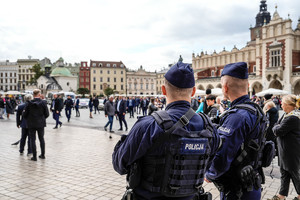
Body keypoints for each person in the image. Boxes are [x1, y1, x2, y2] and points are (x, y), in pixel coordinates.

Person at [112, 62, 221, 200]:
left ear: (163, 90)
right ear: (193, 91)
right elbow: (208, 164)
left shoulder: (148, 125)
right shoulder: (209, 127)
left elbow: (120, 165)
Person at [205, 62, 268, 200]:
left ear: (225, 87)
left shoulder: (237, 116)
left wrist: (209, 174)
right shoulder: (256, 109)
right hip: (251, 183)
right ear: (248, 85)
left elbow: (223, 155)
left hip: (237, 190)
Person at [268, 95, 300, 200]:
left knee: (295, 174)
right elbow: (277, 126)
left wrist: (276, 127)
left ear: (288, 105)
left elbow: (277, 130)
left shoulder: (293, 117)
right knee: (284, 173)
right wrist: (277, 126)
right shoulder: (287, 115)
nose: (281, 104)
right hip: (285, 150)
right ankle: (281, 196)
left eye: (283, 103)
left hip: (291, 151)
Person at [23, 89, 49, 161]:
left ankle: (34, 156)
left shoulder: (29, 103)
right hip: (40, 123)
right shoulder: (43, 103)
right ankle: (42, 155)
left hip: (31, 124)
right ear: (39, 94)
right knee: (41, 139)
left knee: (32, 140)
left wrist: (30, 118)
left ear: (33, 95)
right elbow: (47, 114)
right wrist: (41, 118)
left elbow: (24, 114)